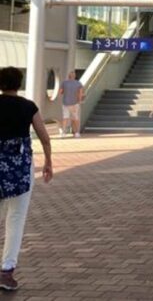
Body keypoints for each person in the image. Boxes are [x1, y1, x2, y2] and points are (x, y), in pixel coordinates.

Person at [0, 67, 53, 291]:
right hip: (20, 170)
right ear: (19, 84)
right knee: (16, 219)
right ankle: (6, 272)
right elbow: (44, 137)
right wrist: (48, 162)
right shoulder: (28, 106)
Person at [58, 71, 83, 138]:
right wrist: (79, 101)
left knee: (65, 118)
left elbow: (60, 92)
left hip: (65, 103)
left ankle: (63, 133)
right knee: (75, 118)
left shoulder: (64, 83)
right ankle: (77, 133)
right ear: (75, 76)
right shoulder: (78, 83)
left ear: (68, 76)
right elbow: (80, 93)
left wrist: (65, 92)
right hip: (75, 103)